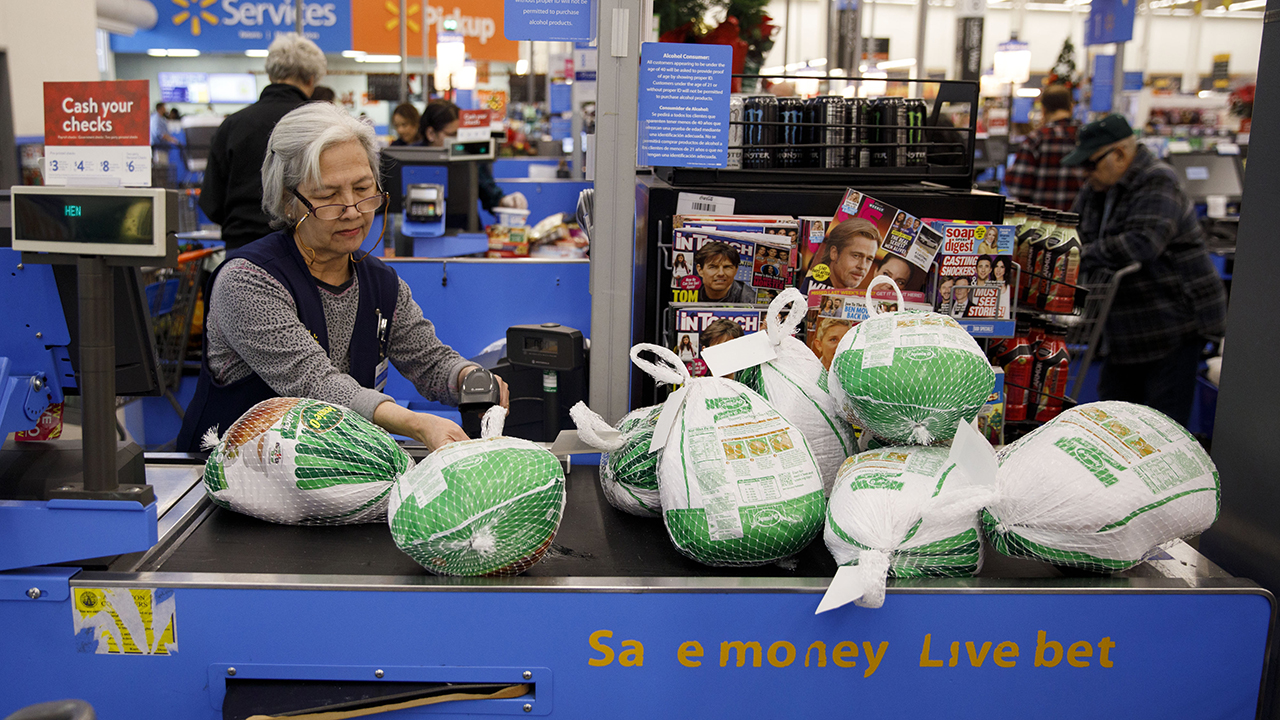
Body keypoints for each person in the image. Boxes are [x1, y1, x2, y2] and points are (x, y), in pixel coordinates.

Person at [175, 102, 507, 452]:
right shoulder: (247, 282)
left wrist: (469, 378)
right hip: (231, 480)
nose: (352, 210)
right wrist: (415, 424)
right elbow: (318, 385)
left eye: (363, 189)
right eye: (328, 195)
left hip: (327, 477)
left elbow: (430, 361)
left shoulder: (381, 285)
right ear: (289, 201)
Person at [1063, 113, 1227, 428]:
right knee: (1116, 420)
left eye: (1091, 164)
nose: (1085, 174)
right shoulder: (1098, 189)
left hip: (1173, 323)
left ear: (1120, 154)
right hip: (1124, 327)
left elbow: (1141, 243)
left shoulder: (1157, 179)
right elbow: (1074, 232)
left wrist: (1081, 254)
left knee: (1162, 426)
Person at [201, 33, 327, 251]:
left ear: (270, 75)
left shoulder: (232, 125)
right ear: (310, 80)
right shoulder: (323, 125)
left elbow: (211, 201)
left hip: (241, 249)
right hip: (305, 250)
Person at [419, 100, 528, 211]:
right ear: (431, 134)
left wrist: (506, 201)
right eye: (452, 135)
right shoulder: (411, 158)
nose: (457, 140)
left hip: (466, 225)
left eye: (460, 134)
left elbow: (490, 194)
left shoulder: (469, 156)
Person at [1005, 85, 1085, 212]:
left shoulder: (1036, 139)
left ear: (1043, 109)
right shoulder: (1085, 137)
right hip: (1079, 222)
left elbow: (1017, 186)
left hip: (1042, 221)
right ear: (1071, 107)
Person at [803, 217, 881, 292]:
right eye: (856, 256)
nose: (862, 266)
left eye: (869, 259)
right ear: (834, 253)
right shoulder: (807, 290)